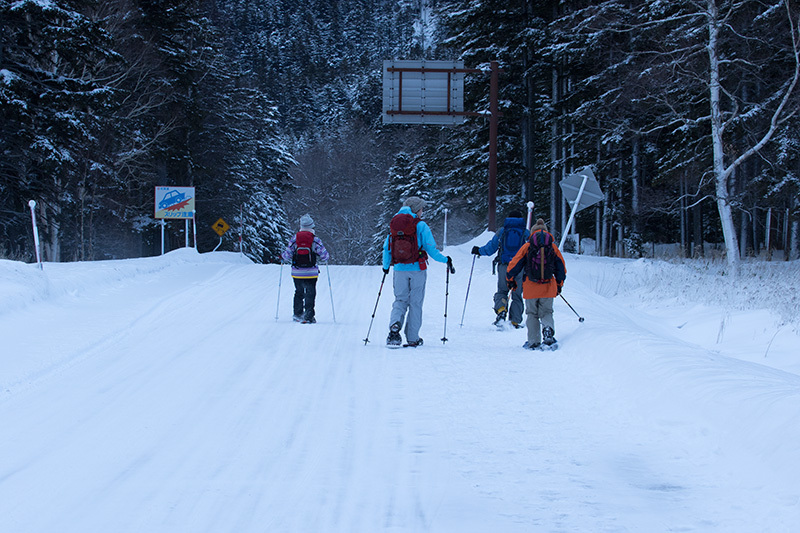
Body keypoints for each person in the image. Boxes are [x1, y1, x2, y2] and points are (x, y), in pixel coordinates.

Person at [382, 196, 452, 347]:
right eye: (421, 209)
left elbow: (387, 246)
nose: (422, 212)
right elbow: (431, 249)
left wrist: (386, 266)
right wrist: (446, 260)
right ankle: (412, 338)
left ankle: (394, 329)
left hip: (399, 269)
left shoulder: (395, 223)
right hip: (417, 269)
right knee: (415, 303)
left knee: (400, 300)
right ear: (416, 209)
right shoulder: (421, 225)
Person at [505, 218, 566, 349]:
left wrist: (510, 280)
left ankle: (533, 341)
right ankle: (548, 330)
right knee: (547, 312)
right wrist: (559, 285)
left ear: (532, 233)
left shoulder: (527, 247)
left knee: (532, 314)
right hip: (548, 287)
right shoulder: (553, 247)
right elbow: (561, 268)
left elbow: (513, 265)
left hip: (530, 287)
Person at [471, 210, 529, 328]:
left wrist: (479, 251)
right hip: (520, 267)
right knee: (517, 294)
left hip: (504, 266)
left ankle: (501, 311)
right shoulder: (525, 232)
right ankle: (515, 321)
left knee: (502, 291)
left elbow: (491, 247)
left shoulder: (503, 231)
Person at [281, 214, 330, 323]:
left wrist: (282, 257)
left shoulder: (294, 239)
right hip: (311, 272)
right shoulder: (315, 240)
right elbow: (325, 256)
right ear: (312, 227)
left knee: (299, 292)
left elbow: (287, 255)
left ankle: (297, 314)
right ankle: (308, 316)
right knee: (310, 292)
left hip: (297, 272)